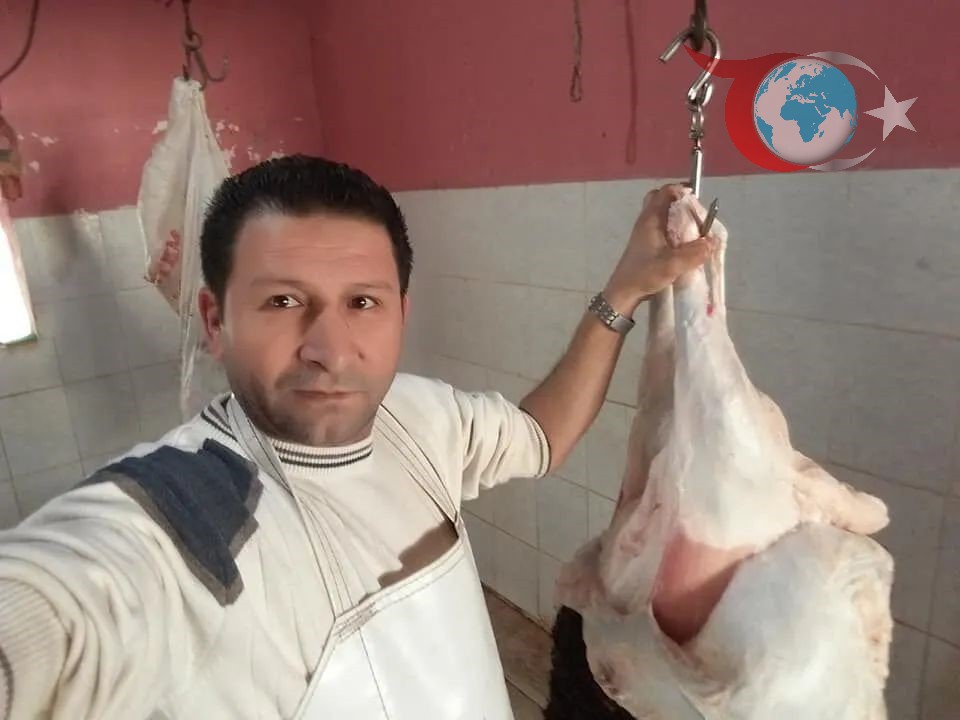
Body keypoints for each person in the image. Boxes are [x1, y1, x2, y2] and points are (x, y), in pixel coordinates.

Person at [0, 155, 714, 719]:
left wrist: (622, 292)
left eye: (362, 302)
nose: (330, 350)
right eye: (283, 301)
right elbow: (55, 603)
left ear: (402, 312)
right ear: (216, 321)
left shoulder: (418, 416)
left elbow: (538, 434)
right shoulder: (181, 514)